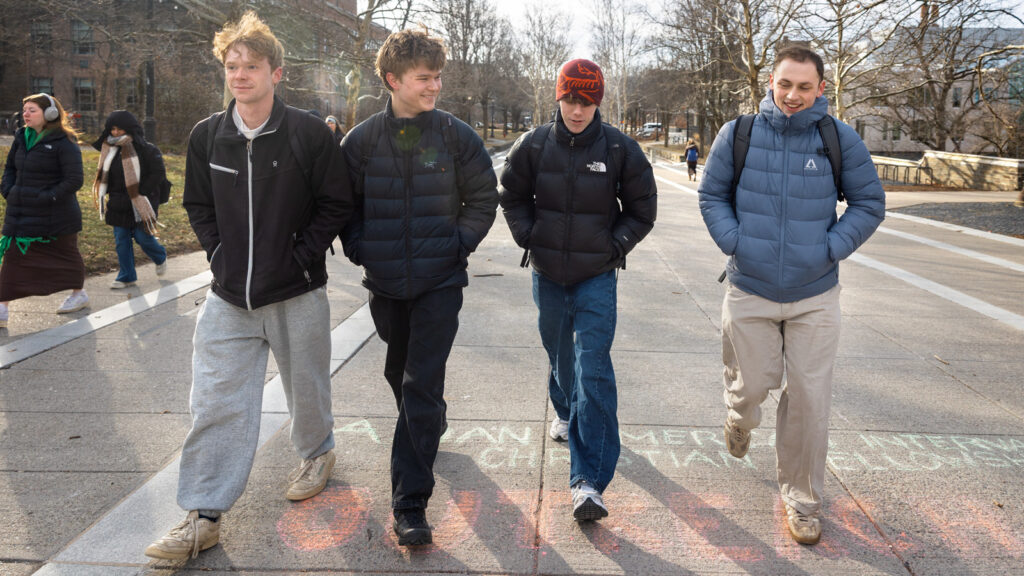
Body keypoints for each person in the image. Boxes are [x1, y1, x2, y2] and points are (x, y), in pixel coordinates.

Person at [144, 11, 353, 560]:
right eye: (232, 65)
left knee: (307, 390)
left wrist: (300, 255)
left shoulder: (307, 133)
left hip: (297, 291)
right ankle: (203, 514)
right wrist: (218, 255)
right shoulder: (207, 136)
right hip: (228, 297)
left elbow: (337, 202)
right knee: (215, 402)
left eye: (252, 65)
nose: (240, 74)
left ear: (276, 72)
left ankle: (317, 451)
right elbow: (198, 204)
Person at [697, 45, 885, 545]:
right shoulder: (738, 134)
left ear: (821, 88)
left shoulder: (837, 138)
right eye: (785, 84)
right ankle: (739, 415)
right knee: (753, 385)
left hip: (814, 294)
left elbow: (869, 202)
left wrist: (829, 248)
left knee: (808, 399)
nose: (793, 95)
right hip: (750, 288)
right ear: (771, 83)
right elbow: (712, 194)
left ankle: (802, 499)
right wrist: (735, 242)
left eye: (804, 86)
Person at [339, 27, 498, 546]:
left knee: (418, 384)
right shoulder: (360, 143)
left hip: (439, 282)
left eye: (437, 77)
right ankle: (431, 420)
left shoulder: (455, 136)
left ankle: (410, 503)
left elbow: (483, 198)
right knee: (398, 370)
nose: (434, 87)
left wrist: (459, 246)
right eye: (423, 78)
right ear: (392, 80)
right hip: (385, 283)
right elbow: (345, 208)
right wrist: (362, 247)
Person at [498, 58, 657, 522]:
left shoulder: (619, 148)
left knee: (593, 368)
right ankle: (563, 408)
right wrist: (528, 236)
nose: (577, 108)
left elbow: (642, 210)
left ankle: (588, 482)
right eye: (570, 98)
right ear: (558, 96)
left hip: (596, 277)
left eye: (587, 100)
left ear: (598, 101)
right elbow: (510, 194)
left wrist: (615, 245)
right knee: (559, 355)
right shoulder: (533, 145)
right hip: (547, 273)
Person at [0, 93, 89, 329]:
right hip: (20, 210)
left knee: (66, 255)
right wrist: (8, 189)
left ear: (49, 114)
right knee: (12, 255)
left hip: (56, 216)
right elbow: (10, 168)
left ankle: (78, 293)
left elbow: (74, 180)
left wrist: (47, 196)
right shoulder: (21, 137)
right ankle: (2, 307)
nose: (25, 115)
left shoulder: (64, 142)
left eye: (32, 110)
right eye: (25, 110)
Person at [91, 110, 169, 289]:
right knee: (121, 239)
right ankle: (126, 276)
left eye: (119, 129)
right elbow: (105, 175)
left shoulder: (147, 149)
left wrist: (141, 191)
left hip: (142, 201)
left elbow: (158, 173)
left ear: (130, 128)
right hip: (118, 202)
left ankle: (160, 256)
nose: (115, 133)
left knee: (143, 237)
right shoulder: (109, 150)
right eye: (112, 129)